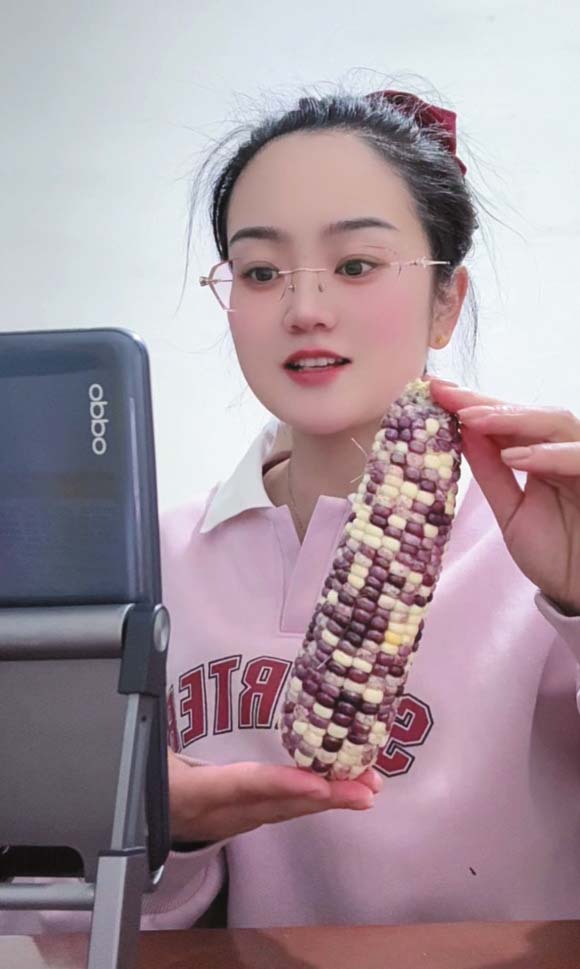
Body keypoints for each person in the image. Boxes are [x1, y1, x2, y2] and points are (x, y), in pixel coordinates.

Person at [3, 86, 580, 935]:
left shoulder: (545, 545)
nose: (304, 309)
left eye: (356, 265)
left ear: (446, 301)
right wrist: (161, 830)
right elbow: (63, 920)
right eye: (262, 271)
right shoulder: (155, 562)